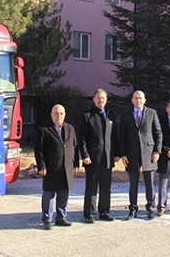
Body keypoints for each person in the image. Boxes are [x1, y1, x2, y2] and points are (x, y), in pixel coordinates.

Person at [118, 90, 162, 220]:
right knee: (133, 184)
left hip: (149, 153)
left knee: (150, 183)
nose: (138, 100)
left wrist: (157, 151)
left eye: (140, 98)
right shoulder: (126, 115)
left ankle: (150, 208)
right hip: (131, 154)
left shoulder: (152, 113)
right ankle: (133, 209)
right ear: (132, 100)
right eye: (136, 98)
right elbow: (122, 136)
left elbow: (158, 133)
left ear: (144, 100)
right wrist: (123, 154)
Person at [34, 104, 78, 229]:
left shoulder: (70, 128)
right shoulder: (43, 130)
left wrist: (75, 163)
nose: (59, 116)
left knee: (64, 193)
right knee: (49, 195)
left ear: (65, 115)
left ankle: (61, 217)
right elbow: (39, 151)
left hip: (66, 168)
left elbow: (74, 146)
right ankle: (47, 219)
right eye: (56, 113)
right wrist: (41, 167)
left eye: (61, 113)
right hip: (51, 169)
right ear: (51, 115)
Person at [79, 88, 117, 224]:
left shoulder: (111, 115)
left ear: (106, 100)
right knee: (91, 187)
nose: (101, 100)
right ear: (94, 99)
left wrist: (116, 154)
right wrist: (84, 155)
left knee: (106, 187)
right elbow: (82, 138)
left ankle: (104, 211)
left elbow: (115, 136)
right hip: (92, 158)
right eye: (98, 98)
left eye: (103, 98)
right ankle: (89, 213)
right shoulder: (87, 115)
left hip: (107, 158)